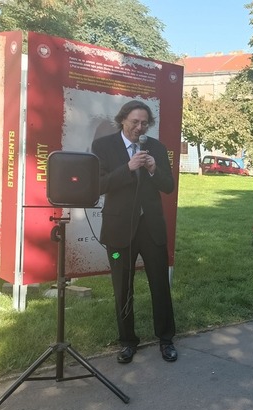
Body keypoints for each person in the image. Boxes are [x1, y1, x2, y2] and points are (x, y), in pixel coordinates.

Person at [92, 100, 178, 364]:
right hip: (120, 229)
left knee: (160, 286)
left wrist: (153, 169)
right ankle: (127, 341)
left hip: (151, 228)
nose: (139, 128)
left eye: (144, 123)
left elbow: (168, 187)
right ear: (122, 120)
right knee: (122, 288)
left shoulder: (157, 148)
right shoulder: (103, 146)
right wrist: (127, 169)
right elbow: (98, 184)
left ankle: (166, 339)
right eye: (134, 122)